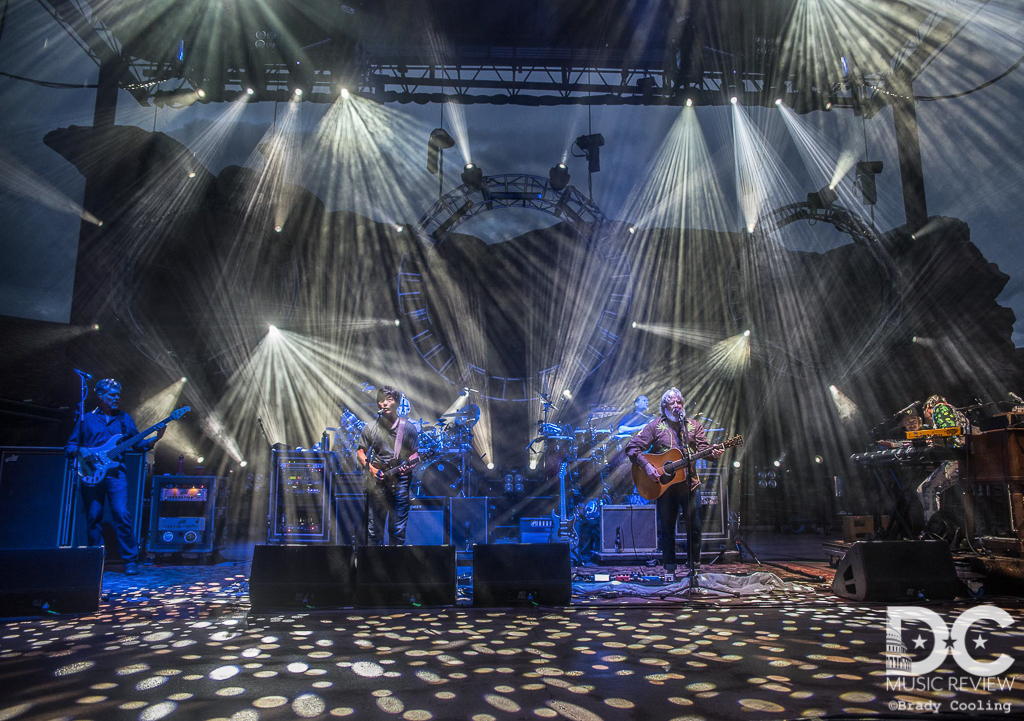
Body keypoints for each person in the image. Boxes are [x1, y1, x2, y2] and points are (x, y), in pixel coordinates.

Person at [65, 378, 166, 575]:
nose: (116, 399)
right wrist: (83, 450)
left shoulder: (124, 419)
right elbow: (69, 447)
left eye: (118, 395)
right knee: (94, 516)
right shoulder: (86, 419)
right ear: (101, 396)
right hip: (91, 473)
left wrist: (156, 438)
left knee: (122, 514)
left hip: (116, 473)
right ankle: (96, 559)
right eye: (112, 395)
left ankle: (130, 560)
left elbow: (137, 444)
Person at [625, 388, 723, 576]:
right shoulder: (655, 426)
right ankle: (669, 569)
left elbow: (704, 449)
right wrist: (647, 466)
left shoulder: (693, 426)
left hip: (690, 485)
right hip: (664, 487)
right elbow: (632, 448)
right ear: (664, 407)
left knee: (695, 528)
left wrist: (714, 453)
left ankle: (694, 568)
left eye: (679, 402)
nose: (677, 406)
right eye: (672, 403)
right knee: (667, 529)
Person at [357, 385, 420, 545]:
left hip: (400, 484)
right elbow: (360, 452)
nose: (384, 403)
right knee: (373, 532)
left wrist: (410, 465)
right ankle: (373, 568)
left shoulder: (408, 428)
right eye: (381, 401)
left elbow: (414, 454)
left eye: (389, 400)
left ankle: (395, 568)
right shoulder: (371, 428)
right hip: (377, 483)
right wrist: (371, 469)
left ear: (397, 403)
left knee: (397, 532)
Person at [917, 394, 967, 524]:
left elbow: (950, 432)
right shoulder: (956, 412)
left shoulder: (940, 408)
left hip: (959, 459)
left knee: (926, 488)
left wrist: (932, 438)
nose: (927, 419)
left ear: (928, 407)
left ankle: (934, 531)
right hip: (965, 459)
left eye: (925, 414)